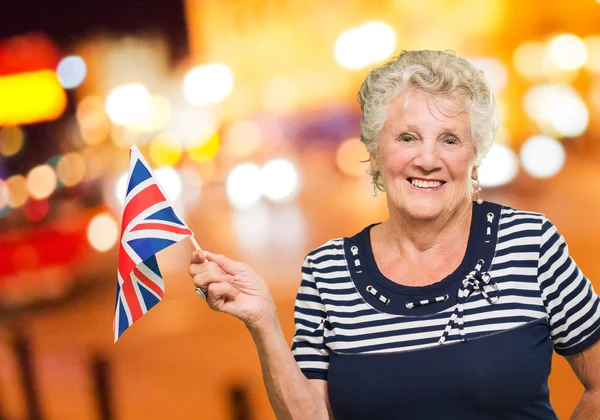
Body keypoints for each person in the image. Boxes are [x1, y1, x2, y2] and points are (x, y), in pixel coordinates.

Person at [188, 50, 600, 419]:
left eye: (450, 139)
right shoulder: (326, 272)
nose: (427, 158)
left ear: (475, 159)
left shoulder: (529, 243)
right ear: (376, 155)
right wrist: (264, 323)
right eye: (407, 137)